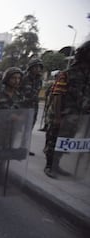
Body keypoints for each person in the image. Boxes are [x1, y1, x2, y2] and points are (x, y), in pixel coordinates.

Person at [43, 40, 90, 178]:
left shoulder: (88, 76)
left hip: (77, 116)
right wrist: (57, 117)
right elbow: (57, 95)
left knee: (66, 141)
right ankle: (49, 166)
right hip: (62, 115)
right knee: (53, 140)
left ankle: (57, 165)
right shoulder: (67, 74)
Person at [20, 58, 44, 156]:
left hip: (33, 107)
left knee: (28, 129)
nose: (38, 69)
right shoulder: (23, 77)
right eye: (35, 66)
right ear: (31, 67)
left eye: (39, 67)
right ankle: (12, 147)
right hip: (22, 107)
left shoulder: (39, 80)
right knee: (16, 128)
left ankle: (24, 147)